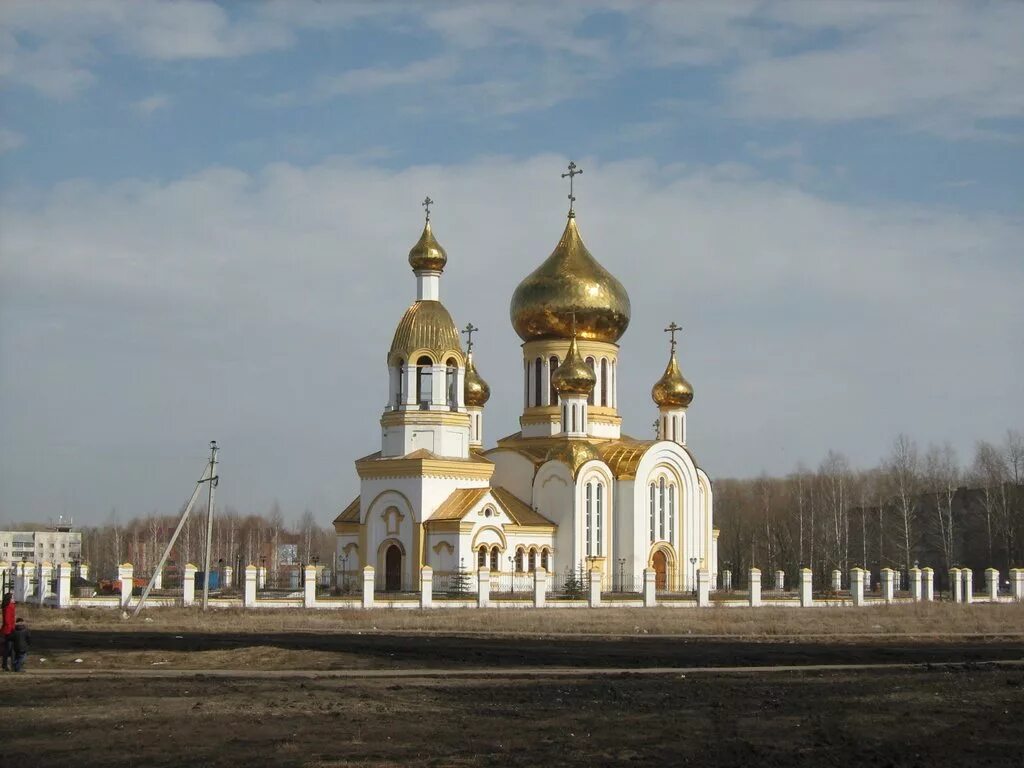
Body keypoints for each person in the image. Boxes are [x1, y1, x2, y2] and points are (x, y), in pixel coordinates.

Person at [1, 592, 15, 672]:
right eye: (12, 597)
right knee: (8, 648)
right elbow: (7, 620)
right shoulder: (8, 607)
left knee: (9, 648)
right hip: (8, 630)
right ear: (9, 599)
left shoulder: (10, 606)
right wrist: (12, 629)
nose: (14, 599)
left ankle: (7, 664)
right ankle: (6, 665)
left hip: (9, 629)